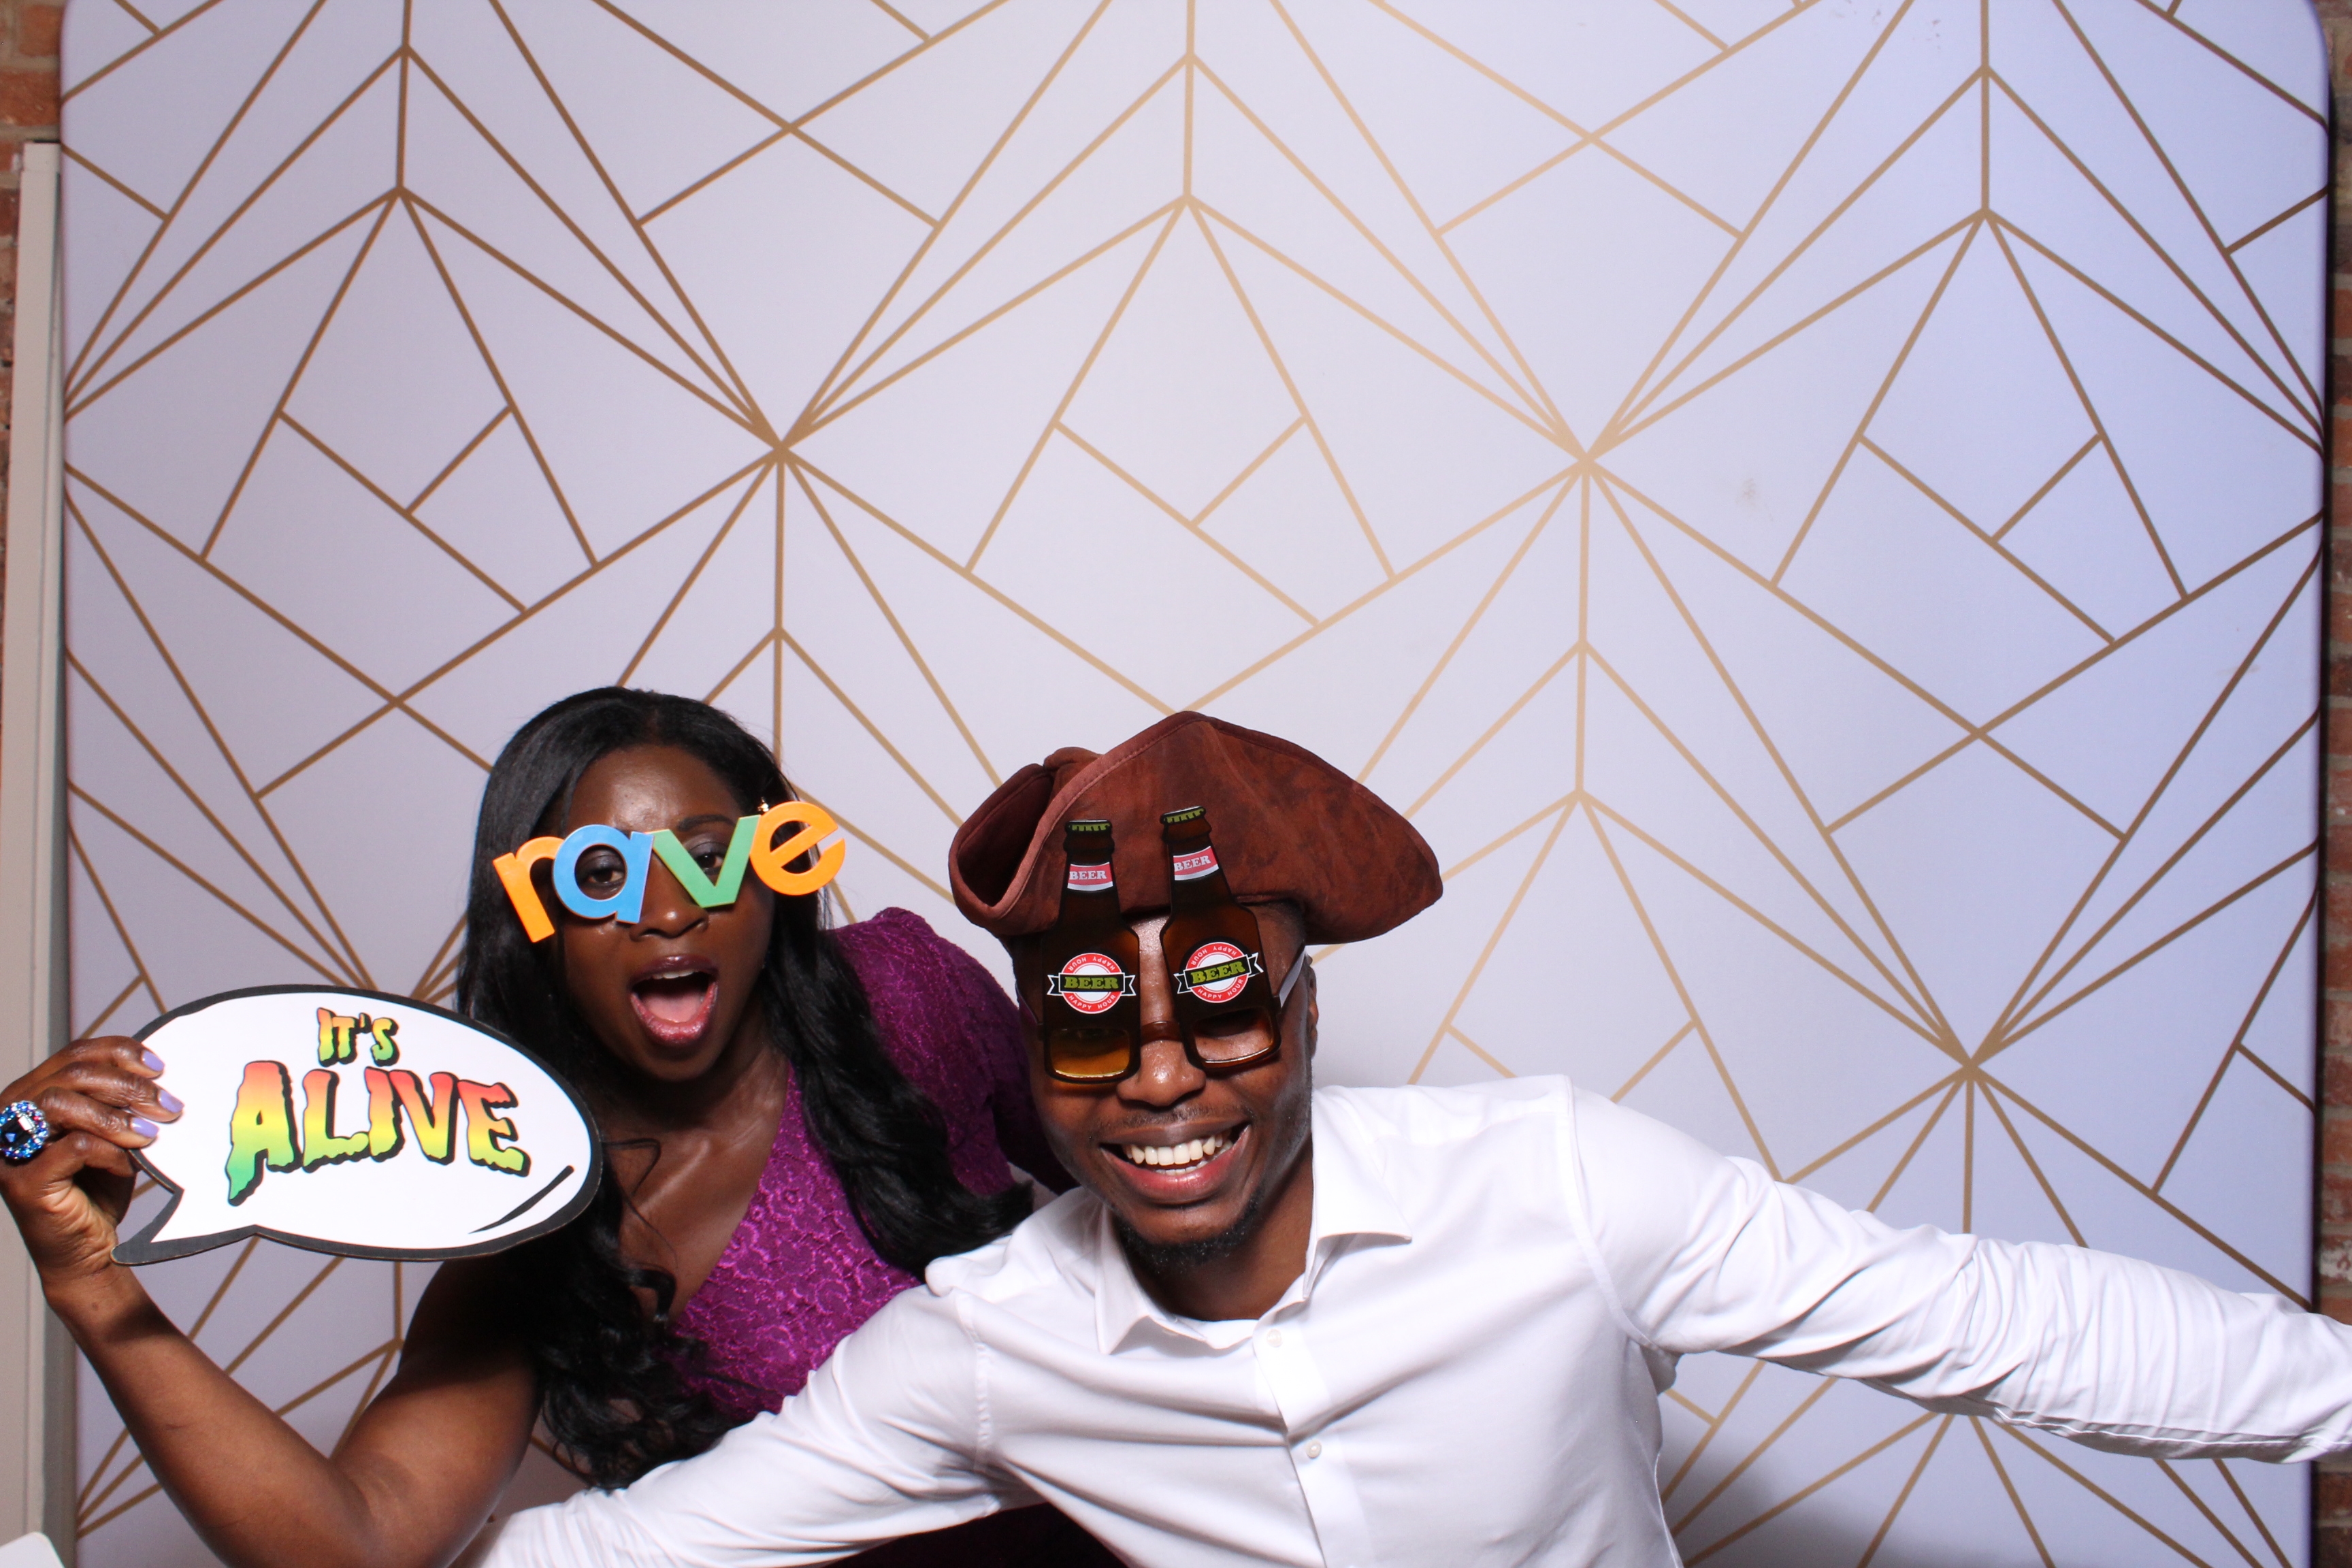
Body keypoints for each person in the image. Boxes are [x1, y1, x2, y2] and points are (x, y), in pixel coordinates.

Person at [481, 710, 2352, 1567]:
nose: (1159, 1075)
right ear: (1034, 1053)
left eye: (1222, 998)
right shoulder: (991, 1347)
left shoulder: (1555, 1187)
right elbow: (628, 1557)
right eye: (1093, 1015)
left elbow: (2000, 1327)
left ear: (1304, 1014)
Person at [0, 687, 1118, 1567]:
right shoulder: (530, 1210)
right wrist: (90, 1286)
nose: (668, 911)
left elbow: (1140, 1206)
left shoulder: (902, 993)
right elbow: (359, 1541)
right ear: (533, 918)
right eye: (599, 876)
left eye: (713, 857)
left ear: (775, 874)